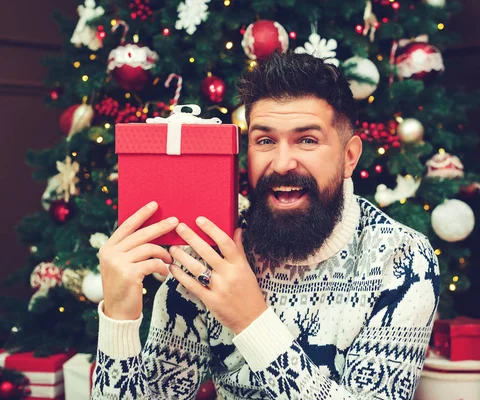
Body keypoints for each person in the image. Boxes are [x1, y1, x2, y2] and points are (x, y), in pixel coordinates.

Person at [93, 51, 440, 400]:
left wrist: (251, 321)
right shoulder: (208, 254)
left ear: (349, 156)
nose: (283, 163)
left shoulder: (402, 259)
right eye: (265, 141)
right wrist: (118, 318)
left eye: (307, 140)